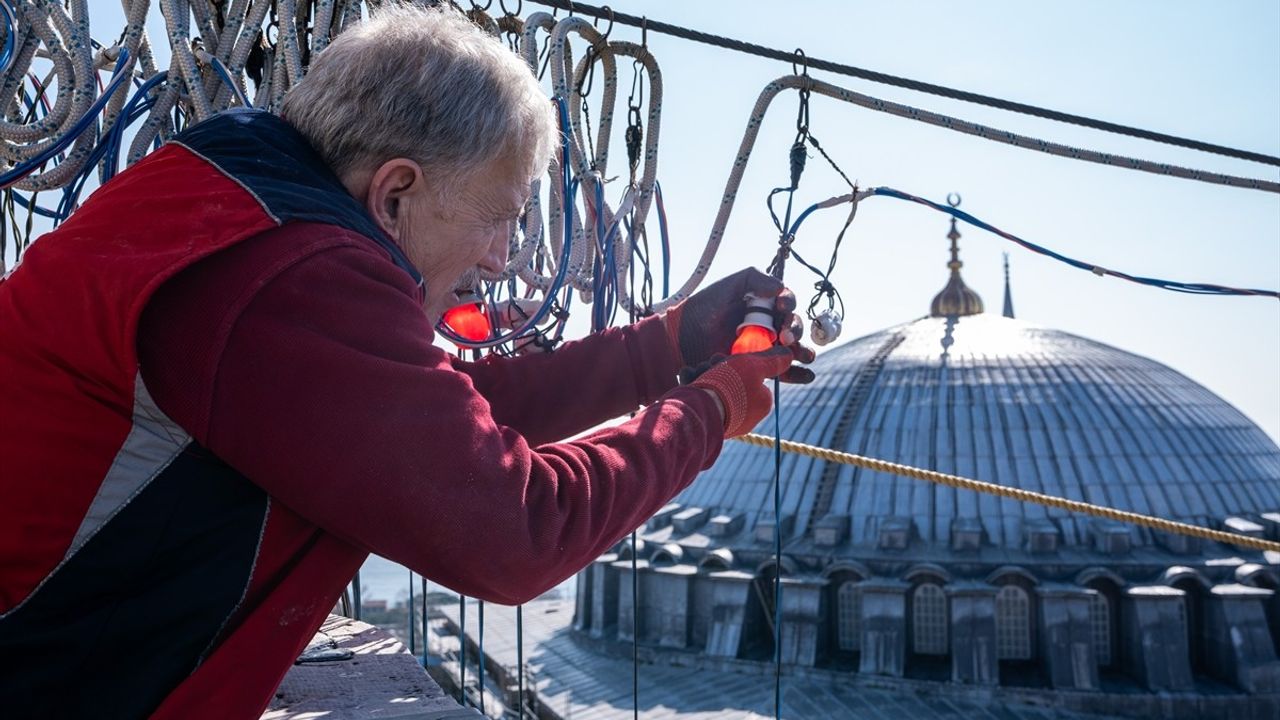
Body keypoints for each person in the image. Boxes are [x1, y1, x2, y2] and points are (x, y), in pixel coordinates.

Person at [0, 5, 813, 718]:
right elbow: (517, 528)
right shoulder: (284, 281)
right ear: (395, 194)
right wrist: (715, 407)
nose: (501, 260)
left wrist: (667, 347)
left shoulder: (240, 198)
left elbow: (432, 418)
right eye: (497, 219)